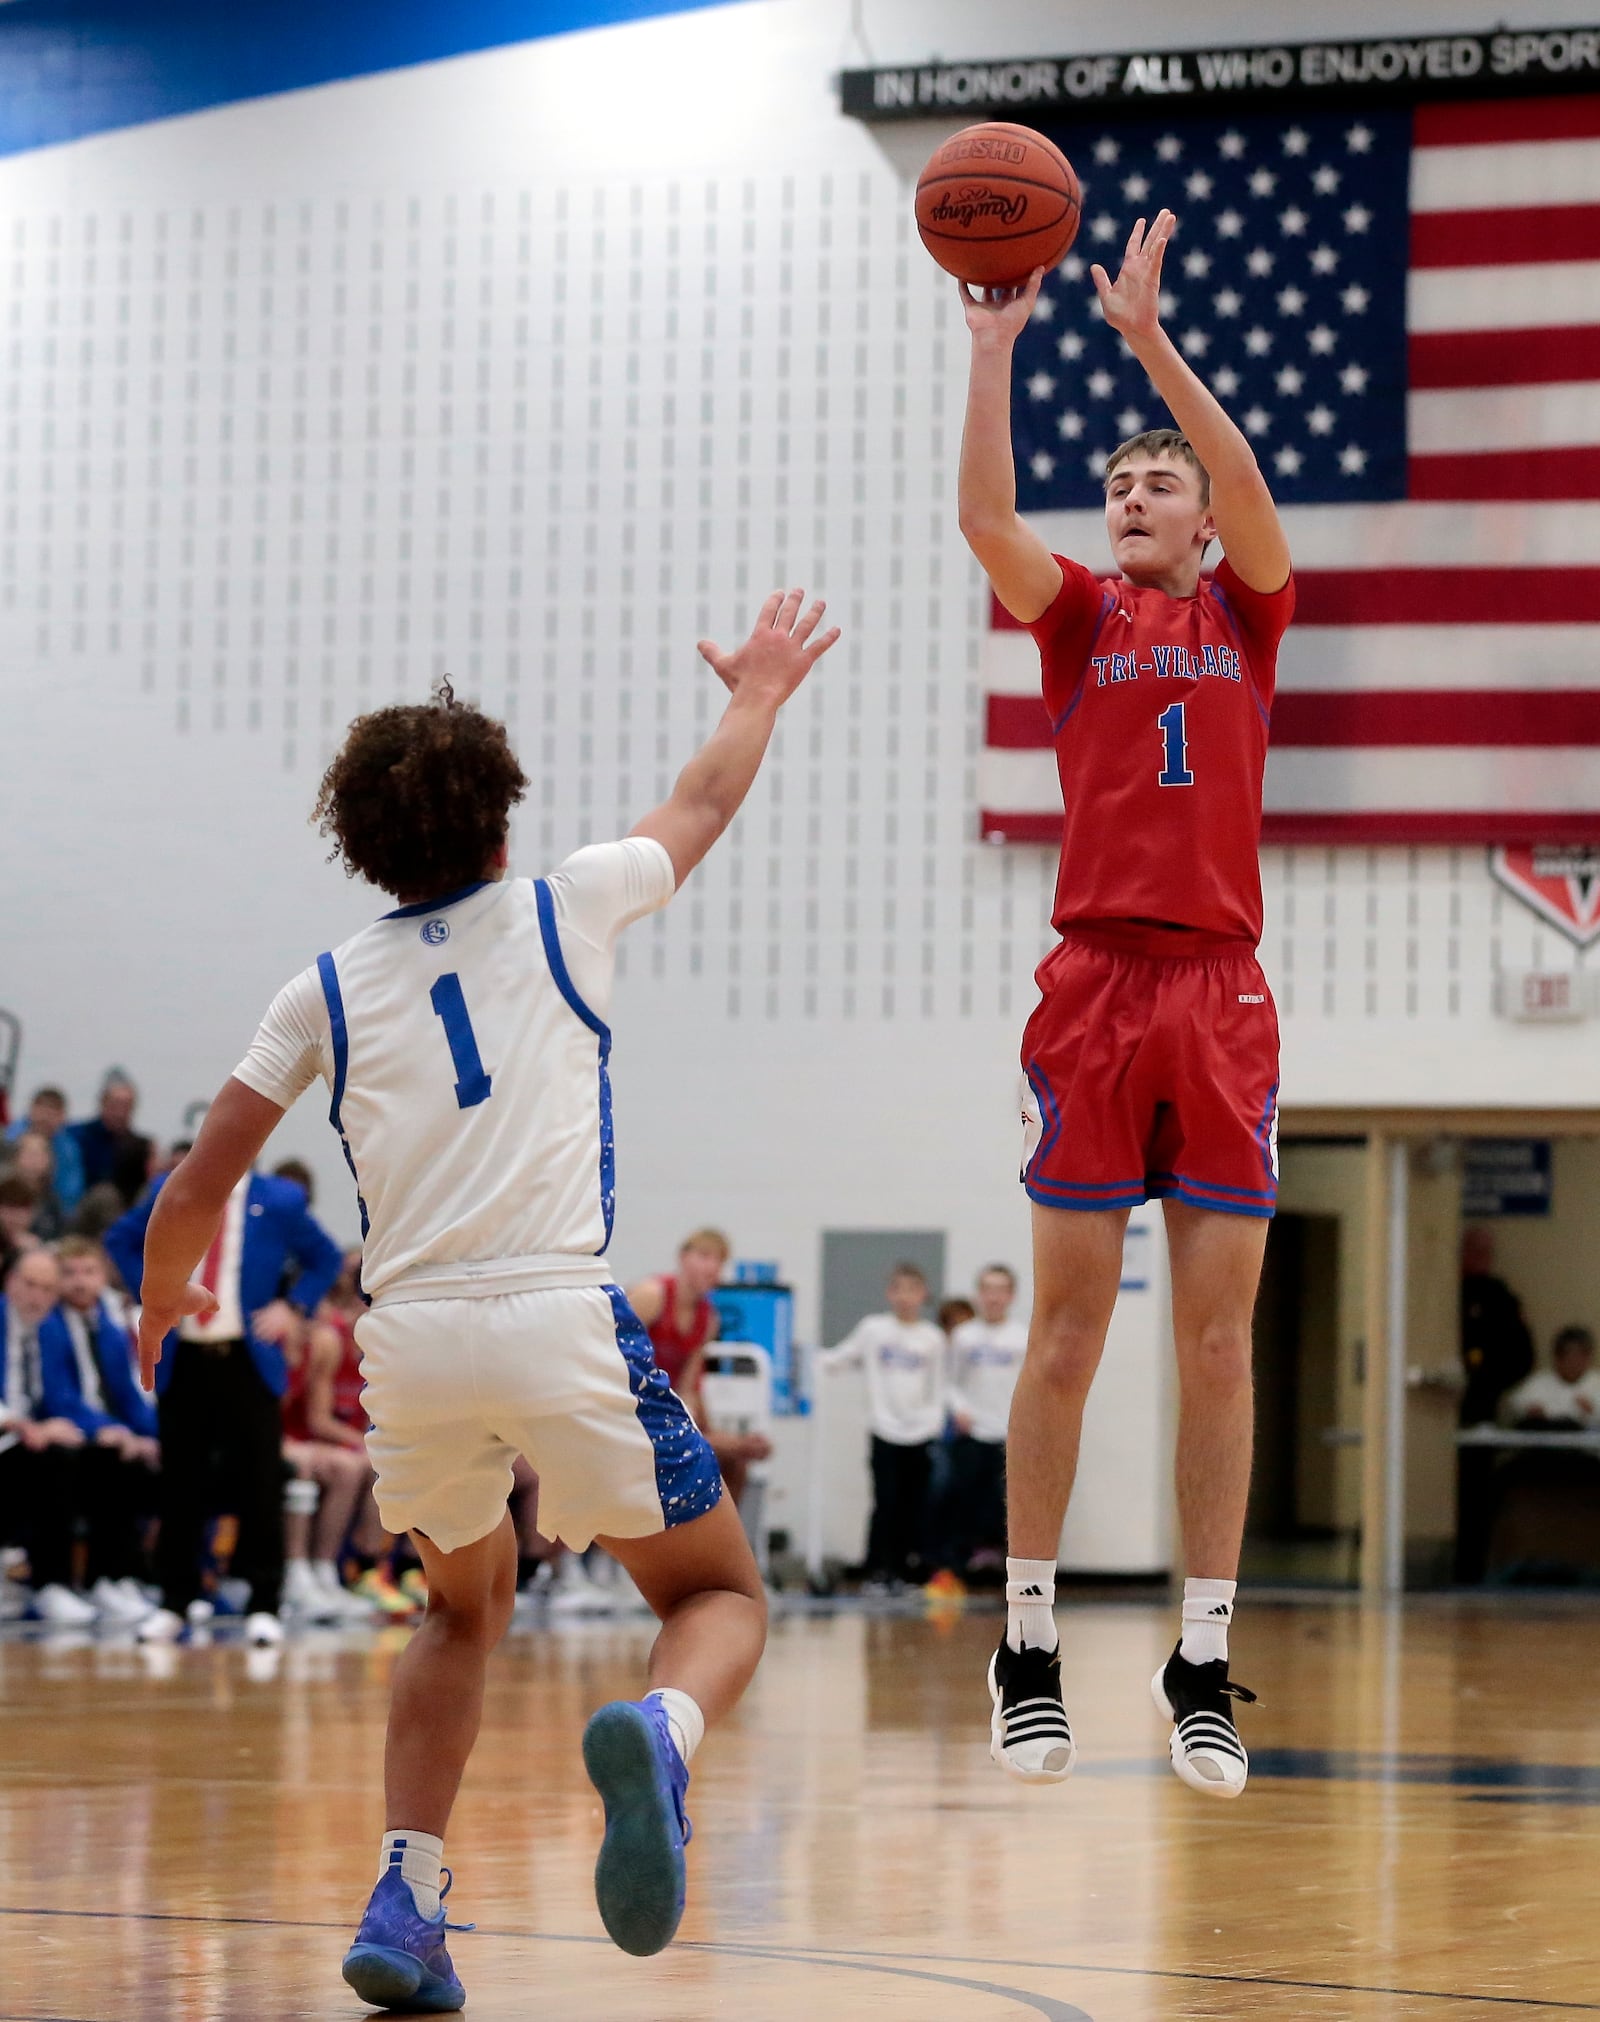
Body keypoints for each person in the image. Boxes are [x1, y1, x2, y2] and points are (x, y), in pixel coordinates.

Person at [131, 587, 837, 2006]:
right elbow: (703, 797)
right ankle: (661, 1730)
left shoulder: (321, 986)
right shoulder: (568, 902)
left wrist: (157, 1314)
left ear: (364, 846)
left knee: (460, 1608)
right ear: (501, 819)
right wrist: (756, 690)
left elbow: (198, 1182)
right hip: (558, 1313)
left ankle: (409, 1893)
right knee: (719, 1591)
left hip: (410, 1341)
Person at [959, 210, 1294, 1798]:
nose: (1135, 494)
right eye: (1120, 482)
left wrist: (1152, 345)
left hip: (1219, 991)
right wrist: (995, 347)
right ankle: (1029, 1640)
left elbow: (1247, 491)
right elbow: (982, 514)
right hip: (1094, 984)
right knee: (1071, 1330)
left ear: (1206, 522)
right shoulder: (1082, 618)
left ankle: (1202, 1655)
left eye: (1159, 482)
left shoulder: (1251, 611)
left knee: (1219, 1345)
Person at [106, 1163, 343, 1646]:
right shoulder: (173, 1188)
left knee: (260, 1480)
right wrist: (156, 1293)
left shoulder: (279, 1199)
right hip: (184, 1356)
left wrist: (293, 1307)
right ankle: (175, 1600)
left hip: (246, 1358)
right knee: (180, 1483)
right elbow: (120, 1241)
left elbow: (324, 1257)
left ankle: (264, 1603)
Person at [37, 1234, 160, 1622]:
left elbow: (127, 1392)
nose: (79, 1281)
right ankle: (101, 1577)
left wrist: (153, 1435)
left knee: (164, 1458)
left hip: (109, 1430)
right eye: (69, 1273)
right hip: (70, 1431)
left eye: (88, 1272)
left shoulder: (108, 1326)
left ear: (103, 1276)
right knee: (111, 1463)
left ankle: (135, 1574)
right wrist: (107, 1429)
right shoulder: (49, 1325)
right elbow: (57, 1397)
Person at [817, 1263, 946, 1590]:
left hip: (920, 1432)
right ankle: (878, 1570)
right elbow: (839, 1357)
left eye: (912, 1290)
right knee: (885, 1501)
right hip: (884, 1430)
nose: (905, 1297)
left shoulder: (932, 1338)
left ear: (922, 1295)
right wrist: (809, 1360)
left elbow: (939, 1385)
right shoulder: (873, 1329)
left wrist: (933, 1422)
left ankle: (907, 1571)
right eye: (898, 1289)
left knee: (915, 1504)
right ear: (889, 1293)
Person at [628, 1231, 772, 1510]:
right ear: (683, 1258)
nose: (712, 1267)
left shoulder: (709, 1319)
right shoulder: (652, 1295)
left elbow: (688, 1386)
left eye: (719, 1261)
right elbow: (606, 1347)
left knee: (733, 1460)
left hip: (663, 1406)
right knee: (716, 1446)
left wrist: (696, 1420)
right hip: (630, 1400)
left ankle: (714, 1539)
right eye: (704, 1257)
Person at [0, 1249, 102, 1625]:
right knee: (52, 1459)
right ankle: (48, 1581)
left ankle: (102, 1579)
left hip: (25, 1443)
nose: (37, 1296)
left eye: (46, 1288)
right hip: (8, 1438)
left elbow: (61, 1397)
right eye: (29, 1284)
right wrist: (19, 1424)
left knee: (91, 1455)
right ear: (10, 1281)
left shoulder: (47, 1331)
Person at [1457, 1226, 1536, 1581]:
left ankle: (1472, 1570)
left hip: (1482, 1405)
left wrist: (1486, 1384)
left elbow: (1521, 1356)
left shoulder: (1499, 1297)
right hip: (1449, 1405)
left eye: (1486, 1251)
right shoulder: (1449, 1292)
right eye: (1475, 1249)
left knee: (1477, 1494)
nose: (1481, 1257)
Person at [945, 1266, 1029, 1581]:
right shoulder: (964, 1336)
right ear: (978, 1295)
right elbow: (949, 1381)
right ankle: (964, 1564)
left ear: (1010, 1296)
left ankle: (1002, 1566)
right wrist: (960, 1409)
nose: (993, 1297)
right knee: (966, 1496)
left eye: (1000, 1290)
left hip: (1009, 1433)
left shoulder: (1021, 1337)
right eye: (988, 1289)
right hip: (973, 1431)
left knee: (1004, 1501)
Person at [68, 1072, 154, 1210]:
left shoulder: (141, 1145)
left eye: (126, 1106)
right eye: (116, 1105)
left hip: (125, 1210)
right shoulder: (77, 1135)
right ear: (102, 1103)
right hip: (82, 1209)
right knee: (105, 1195)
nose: (120, 1112)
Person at [5, 1086, 85, 1216]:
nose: (46, 1118)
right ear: (31, 1110)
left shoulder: (69, 1150)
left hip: (49, 1212)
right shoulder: (9, 1138)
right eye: (42, 1110)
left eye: (52, 1113)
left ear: (63, 1117)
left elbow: (71, 1194)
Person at [1503, 1326, 1600, 1428]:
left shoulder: (1596, 1382)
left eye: (1580, 1356)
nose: (1574, 1363)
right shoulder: (1538, 1382)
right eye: (1569, 1356)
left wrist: (1593, 1412)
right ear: (1557, 1357)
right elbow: (1514, 1406)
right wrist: (1528, 1411)